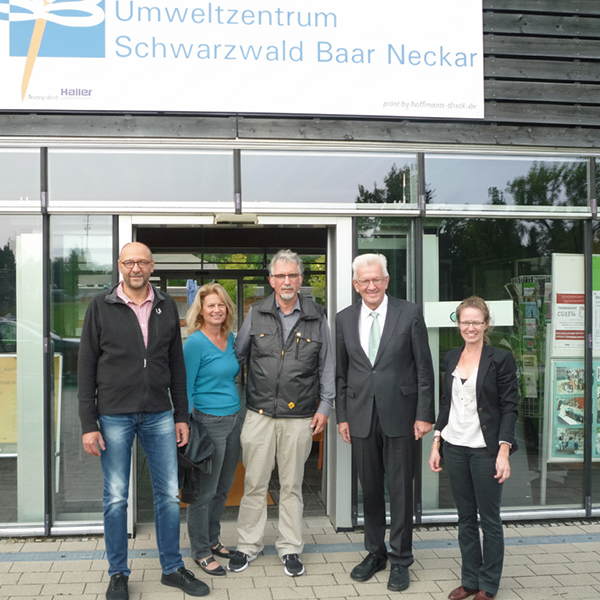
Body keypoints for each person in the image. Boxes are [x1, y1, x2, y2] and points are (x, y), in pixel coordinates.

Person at [78, 242, 209, 600]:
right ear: (120, 266)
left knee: (168, 495)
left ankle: (172, 568)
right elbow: (86, 366)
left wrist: (180, 415)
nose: (135, 268)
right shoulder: (100, 305)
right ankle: (118, 573)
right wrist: (88, 423)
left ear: (152, 266)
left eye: (142, 262)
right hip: (113, 414)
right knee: (116, 497)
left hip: (158, 413)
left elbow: (177, 365)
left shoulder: (166, 306)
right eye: (129, 262)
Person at [228, 249, 335, 577]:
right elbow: (236, 357)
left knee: (291, 486)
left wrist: (325, 407)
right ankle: (248, 545)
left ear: (300, 280)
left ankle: (290, 548)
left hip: (300, 417)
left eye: (292, 275)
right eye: (280, 276)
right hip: (259, 415)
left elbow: (327, 366)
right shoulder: (256, 313)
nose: (286, 281)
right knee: (254, 484)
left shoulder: (317, 316)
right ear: (271, 280)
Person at [336, 253, 435, 592]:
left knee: (401, 489)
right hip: (360, 415)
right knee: (371, 488)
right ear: (356, 285)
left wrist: (424, 414)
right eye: (364, 281)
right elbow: (341, 373)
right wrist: (342, 416)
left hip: (402, 415)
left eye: (376, 279)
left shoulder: (410, 313)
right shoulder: (344, 319)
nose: (371, 285)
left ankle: (401, 559)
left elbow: (424, 368)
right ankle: (376, 553)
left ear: (387, 280)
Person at [428, 296, 519, 600]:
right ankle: (470, 580)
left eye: (476, 322)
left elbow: (509, 407)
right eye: (465, 321)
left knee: (489, 519)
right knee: (465, 518)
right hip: (455, 447)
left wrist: (503, 451)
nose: (470, 327)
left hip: (485, 450)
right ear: (458, 324)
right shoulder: (451, 357)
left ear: (486, 324)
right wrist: (437, 442)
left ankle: (488, 585)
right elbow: (446, 404)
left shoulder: (501, 359)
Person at [183, 283, 241, 577]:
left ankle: (213, 539)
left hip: (234, 419)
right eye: (211, 306)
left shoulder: (231, 339)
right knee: (204, 492)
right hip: (207, 423)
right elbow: (184, 388)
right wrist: (185, 425)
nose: (217, 310)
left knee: (223, 487)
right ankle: (200, 551)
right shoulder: (194, 344)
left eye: (221, 305)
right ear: (201, 311)